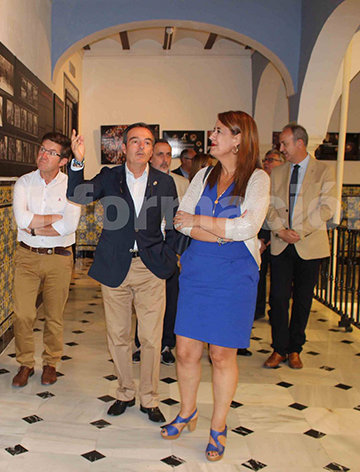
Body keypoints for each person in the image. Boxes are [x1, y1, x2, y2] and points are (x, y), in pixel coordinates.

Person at [168, 111, 269, 462]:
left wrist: (201, 221)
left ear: (238, 139)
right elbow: (180, 222)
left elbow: (248, 228)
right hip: (198, 269)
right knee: (185, 351)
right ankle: (187, 411)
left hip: (235, 275)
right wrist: (220, 232)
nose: (211, 136)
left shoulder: (257, 179)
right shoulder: (203, 174)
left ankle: (218, 426)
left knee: (222, 355)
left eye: (219, 131)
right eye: (214, 130)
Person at [67, 124, 181, 423]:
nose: (141, 147)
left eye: (147, 142)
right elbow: (78, 195)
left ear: (152, 149)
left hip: (150, 268)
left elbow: (174, 224)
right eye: (135, 141)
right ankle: (125, 392)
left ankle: (149, 398)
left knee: (151, 338)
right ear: (124, 147)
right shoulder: (110, 176)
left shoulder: (164, 182)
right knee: (118, 335)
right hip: (115, 265)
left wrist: (170, 255)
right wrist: (78, 161)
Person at [263, 123, 337, 369]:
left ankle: (295, 349)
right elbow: (268, 206)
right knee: (278, 298)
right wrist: (281, 231)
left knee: (303, 300)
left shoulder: (324, 171)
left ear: (299, 143)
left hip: (309, 244)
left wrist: (300, 232)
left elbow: (327, 207)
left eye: (284, 143)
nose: (281, 148)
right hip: (281, 244)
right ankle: (279, 349)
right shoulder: (278, 172)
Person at [11, 132, 82, 387]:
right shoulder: (24, 182)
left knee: (54, 315)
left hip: (59, 258)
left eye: (51, 153)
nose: (43, 155)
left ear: (63, 161)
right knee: (23, 314)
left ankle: (51, 363)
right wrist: (54, 219)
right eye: (42, 149)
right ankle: (25, 363)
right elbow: (22, 219)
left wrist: (34, 227)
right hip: (27, 257)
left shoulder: (72, 185)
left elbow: (70, 225)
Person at [132, 139, 188, 365]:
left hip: (171, 251)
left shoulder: (182, 183)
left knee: (171, 300)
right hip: (147, 251)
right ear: (150, 157)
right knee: (144, 302)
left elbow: (186, 219)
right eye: (160, 154)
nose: (165, 159)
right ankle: (141, 344)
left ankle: (166, 345)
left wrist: (178, 252)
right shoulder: (141, 182)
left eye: (168, 154)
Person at [254, 149, 285, 321]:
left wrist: (279, 232)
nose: (266, 163)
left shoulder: (284, 182)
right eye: (265, 160)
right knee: (259, 273)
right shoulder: (259, 180)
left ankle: (276, 311)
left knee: (279, 279)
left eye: (271, 160)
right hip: (261, 233)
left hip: (280, 235)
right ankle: (258, 309)